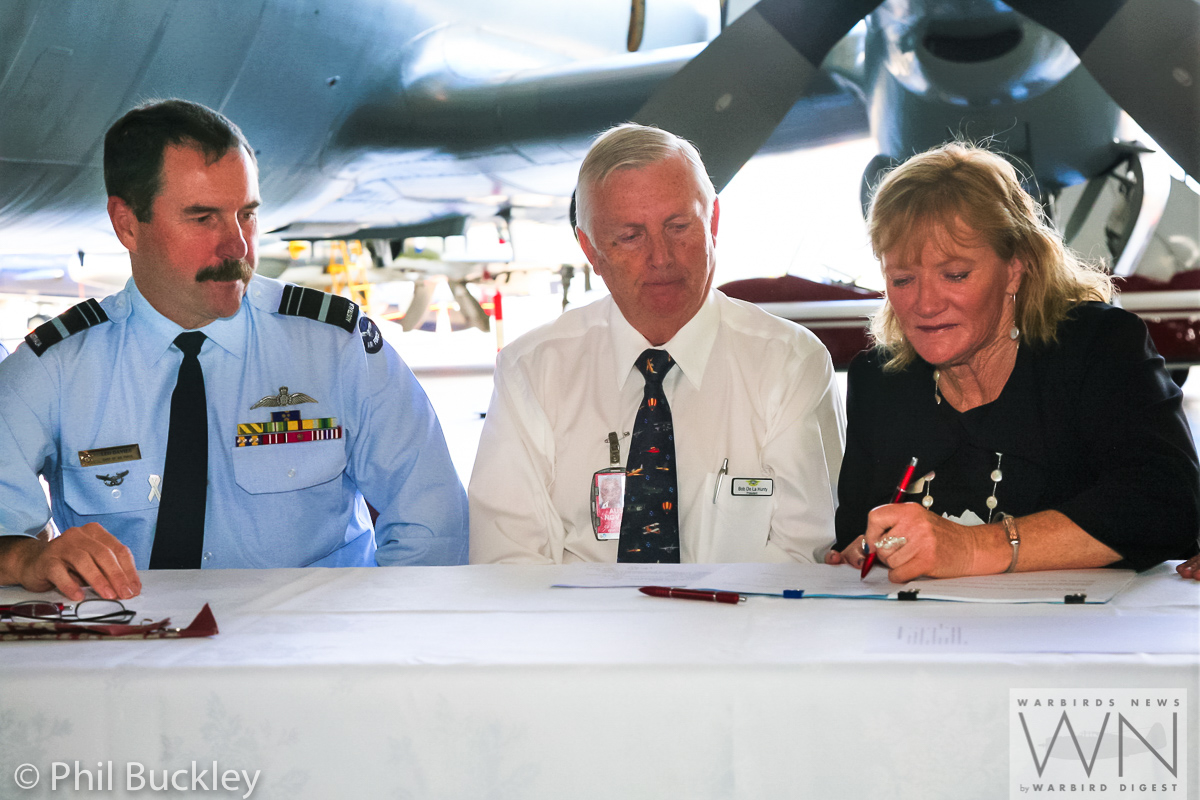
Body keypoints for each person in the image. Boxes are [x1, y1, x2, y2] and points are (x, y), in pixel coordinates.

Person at [0, 99, 468, 601]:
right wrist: (27, 557)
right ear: (127, 224)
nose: (238, 248)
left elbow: (433, 525)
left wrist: (377, 647)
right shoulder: (54, 370)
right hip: (128, 656)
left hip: (312, 656)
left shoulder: (336, 348)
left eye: (246, 215)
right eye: (203, 219)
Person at [469, 123, 844, 564]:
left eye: (679, 225)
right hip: (577, 631)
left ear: (714, 221)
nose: (661, 256)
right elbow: (507, 563)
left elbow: (805, 553)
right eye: (630, 236)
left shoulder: (789, 364)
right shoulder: (532, 371)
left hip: (737, 629)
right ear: (590, 251)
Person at [827, 142, 1200, 580]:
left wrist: (970, 549)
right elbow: (856, 531)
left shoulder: (1097, 346)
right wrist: (865, 547)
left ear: (1016, 268)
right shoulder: (879, 379)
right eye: (902, 279)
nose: (925, 304)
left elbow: (1167, 504)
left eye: (956, 275)